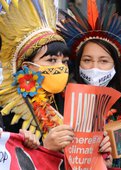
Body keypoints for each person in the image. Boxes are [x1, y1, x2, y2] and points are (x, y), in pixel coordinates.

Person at [58, 0, 121, 167]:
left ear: (116, 65)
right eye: (87, 60)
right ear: (77, 64)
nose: (94, 68)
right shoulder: (61, 101)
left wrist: (114, 157)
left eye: (104, 61)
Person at [0, 0, 74, 152]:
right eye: (51, 60)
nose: (60, 67)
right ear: (27, 67)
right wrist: (44, 149)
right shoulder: (5, 114)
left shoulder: (69, 102)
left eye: (64, 61)